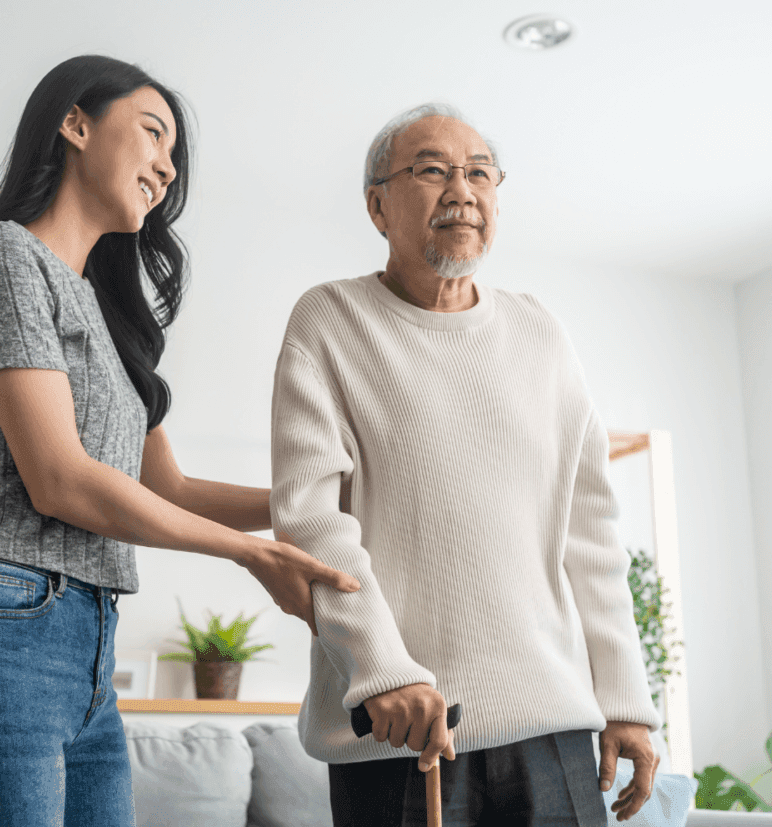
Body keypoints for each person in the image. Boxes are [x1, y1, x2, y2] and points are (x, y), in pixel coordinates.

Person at [0, 54, 360, 827]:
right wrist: (252, 553)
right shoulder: (3, 256)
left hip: (88, 654)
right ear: (75, 123)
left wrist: (318, 503)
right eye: (153, 133)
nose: (167, 169)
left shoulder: (111, 320)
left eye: (174, 157)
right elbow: (61, 481)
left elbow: (168, 490)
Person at [270, 103, 662, 827]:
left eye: (480, 171)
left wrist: (624, 701)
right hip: (399, 735)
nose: (462, 189)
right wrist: (380, 672)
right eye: (431, 169)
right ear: (377, 204)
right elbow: (311, 521)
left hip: (553, 734)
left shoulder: (541, 331)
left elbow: (592, 531)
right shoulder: (329, 320)